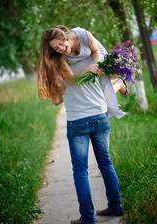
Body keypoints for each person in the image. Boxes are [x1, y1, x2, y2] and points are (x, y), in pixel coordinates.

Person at [37, 27, 125, 224]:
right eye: (56, 48)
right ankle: (115, 206)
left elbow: (58, 98)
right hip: (99, 117)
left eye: (61, 44)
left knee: (80, 170)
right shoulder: (80, 56)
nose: (60, 49)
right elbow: (77, 78)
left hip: (78, 121)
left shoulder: (58, 62)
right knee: (105, 163)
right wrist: (92, 68)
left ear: (66, 36)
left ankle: (88, 218)